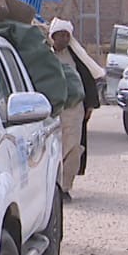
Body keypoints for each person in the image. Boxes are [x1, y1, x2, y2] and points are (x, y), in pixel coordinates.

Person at [49, 19, 103, 201]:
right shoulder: (45, 56)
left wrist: (89, 105)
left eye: (66, 35)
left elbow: (88, 79)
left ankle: (64, 188)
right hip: (51, 111)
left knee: (72, 148)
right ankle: (51, 187)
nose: (64, 38)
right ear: (52, 36)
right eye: (60, 35)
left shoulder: (75, 56)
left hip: (73, 110)